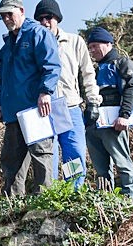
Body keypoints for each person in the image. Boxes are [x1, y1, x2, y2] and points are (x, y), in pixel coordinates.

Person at [0, 0, 61, 196]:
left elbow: (51, 66)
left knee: (41, 158)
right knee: (11, 163)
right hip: (12, 114)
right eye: (2, 16)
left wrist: (45, 93)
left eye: (9, 14)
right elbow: (3, 80)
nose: (6, 19)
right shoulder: (5, 48)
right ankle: (13, 210)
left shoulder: (38, 34)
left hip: (35, 110)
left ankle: (46, 206)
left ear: (21, 11)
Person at [33, 0, 101, 188]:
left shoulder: (74, 41)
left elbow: (88, 73)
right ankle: (52, 196)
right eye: (40, 19)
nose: (45, 22)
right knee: (48, 157)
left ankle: (72, 192)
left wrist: (93, 102)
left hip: (70, 106)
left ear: (57, 18)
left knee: (74, 152)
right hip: (43, 109)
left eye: (49, 17)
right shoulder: (35, 45)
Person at [84, 26, 133, 198]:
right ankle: (107, 200)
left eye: (95, 45)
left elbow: (131, 89)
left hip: (114, 123)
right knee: (100, 168)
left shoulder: (122, 63)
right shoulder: (93, 70)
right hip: (94, 124)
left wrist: (124, 116)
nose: (92, 50)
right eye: (90, 47)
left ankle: (130, 198)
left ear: (108, 43)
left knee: (122, 161)